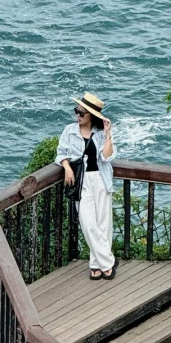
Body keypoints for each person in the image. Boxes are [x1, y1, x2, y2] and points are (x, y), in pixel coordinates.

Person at [56, 93, 116, 280]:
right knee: (88, 223)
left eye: (82, 112)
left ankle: (96, 264)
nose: (78, 115)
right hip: (81, 182)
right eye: (77, 111)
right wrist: (66, 167)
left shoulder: (100, 134)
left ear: (91, 115)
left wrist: (107, 135)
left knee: (103, 224)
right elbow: (60, 153)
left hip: (100, 178)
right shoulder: (69, 130)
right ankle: (108, 263)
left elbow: (107, 157)